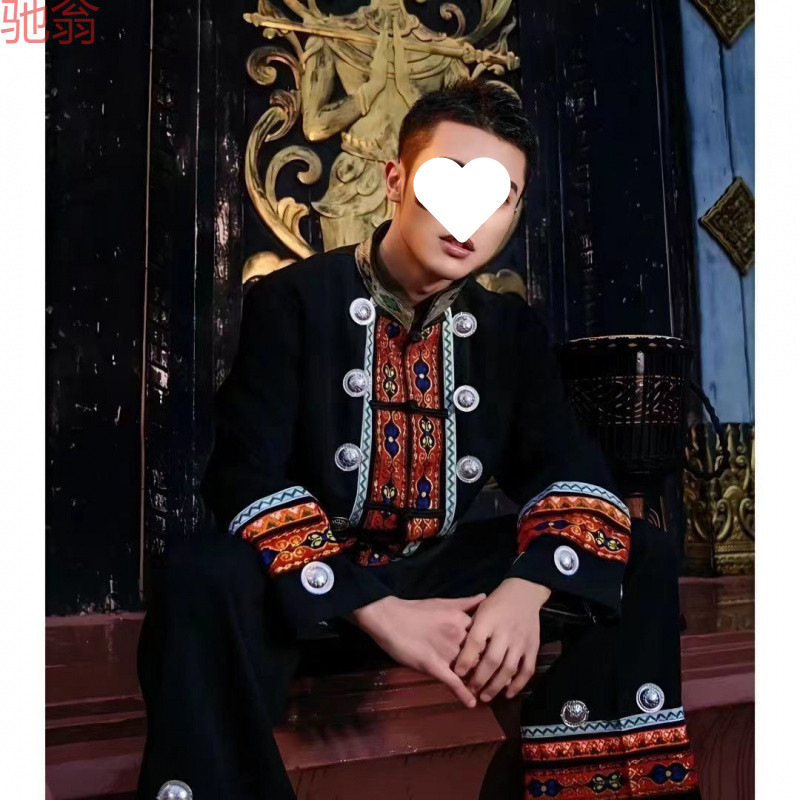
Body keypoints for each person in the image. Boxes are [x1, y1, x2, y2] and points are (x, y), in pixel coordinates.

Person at [137, 78, 702, 800]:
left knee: (638, 551)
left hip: (437, 574)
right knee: (201, 572)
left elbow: (571, 471)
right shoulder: (293, 301)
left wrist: (526, 587)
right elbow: (243, 475)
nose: (469, 218)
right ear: (396, 180)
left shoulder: (509, 331)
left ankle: (599, 789)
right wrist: (378, 611)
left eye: (498, 197)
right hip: (318, 586)